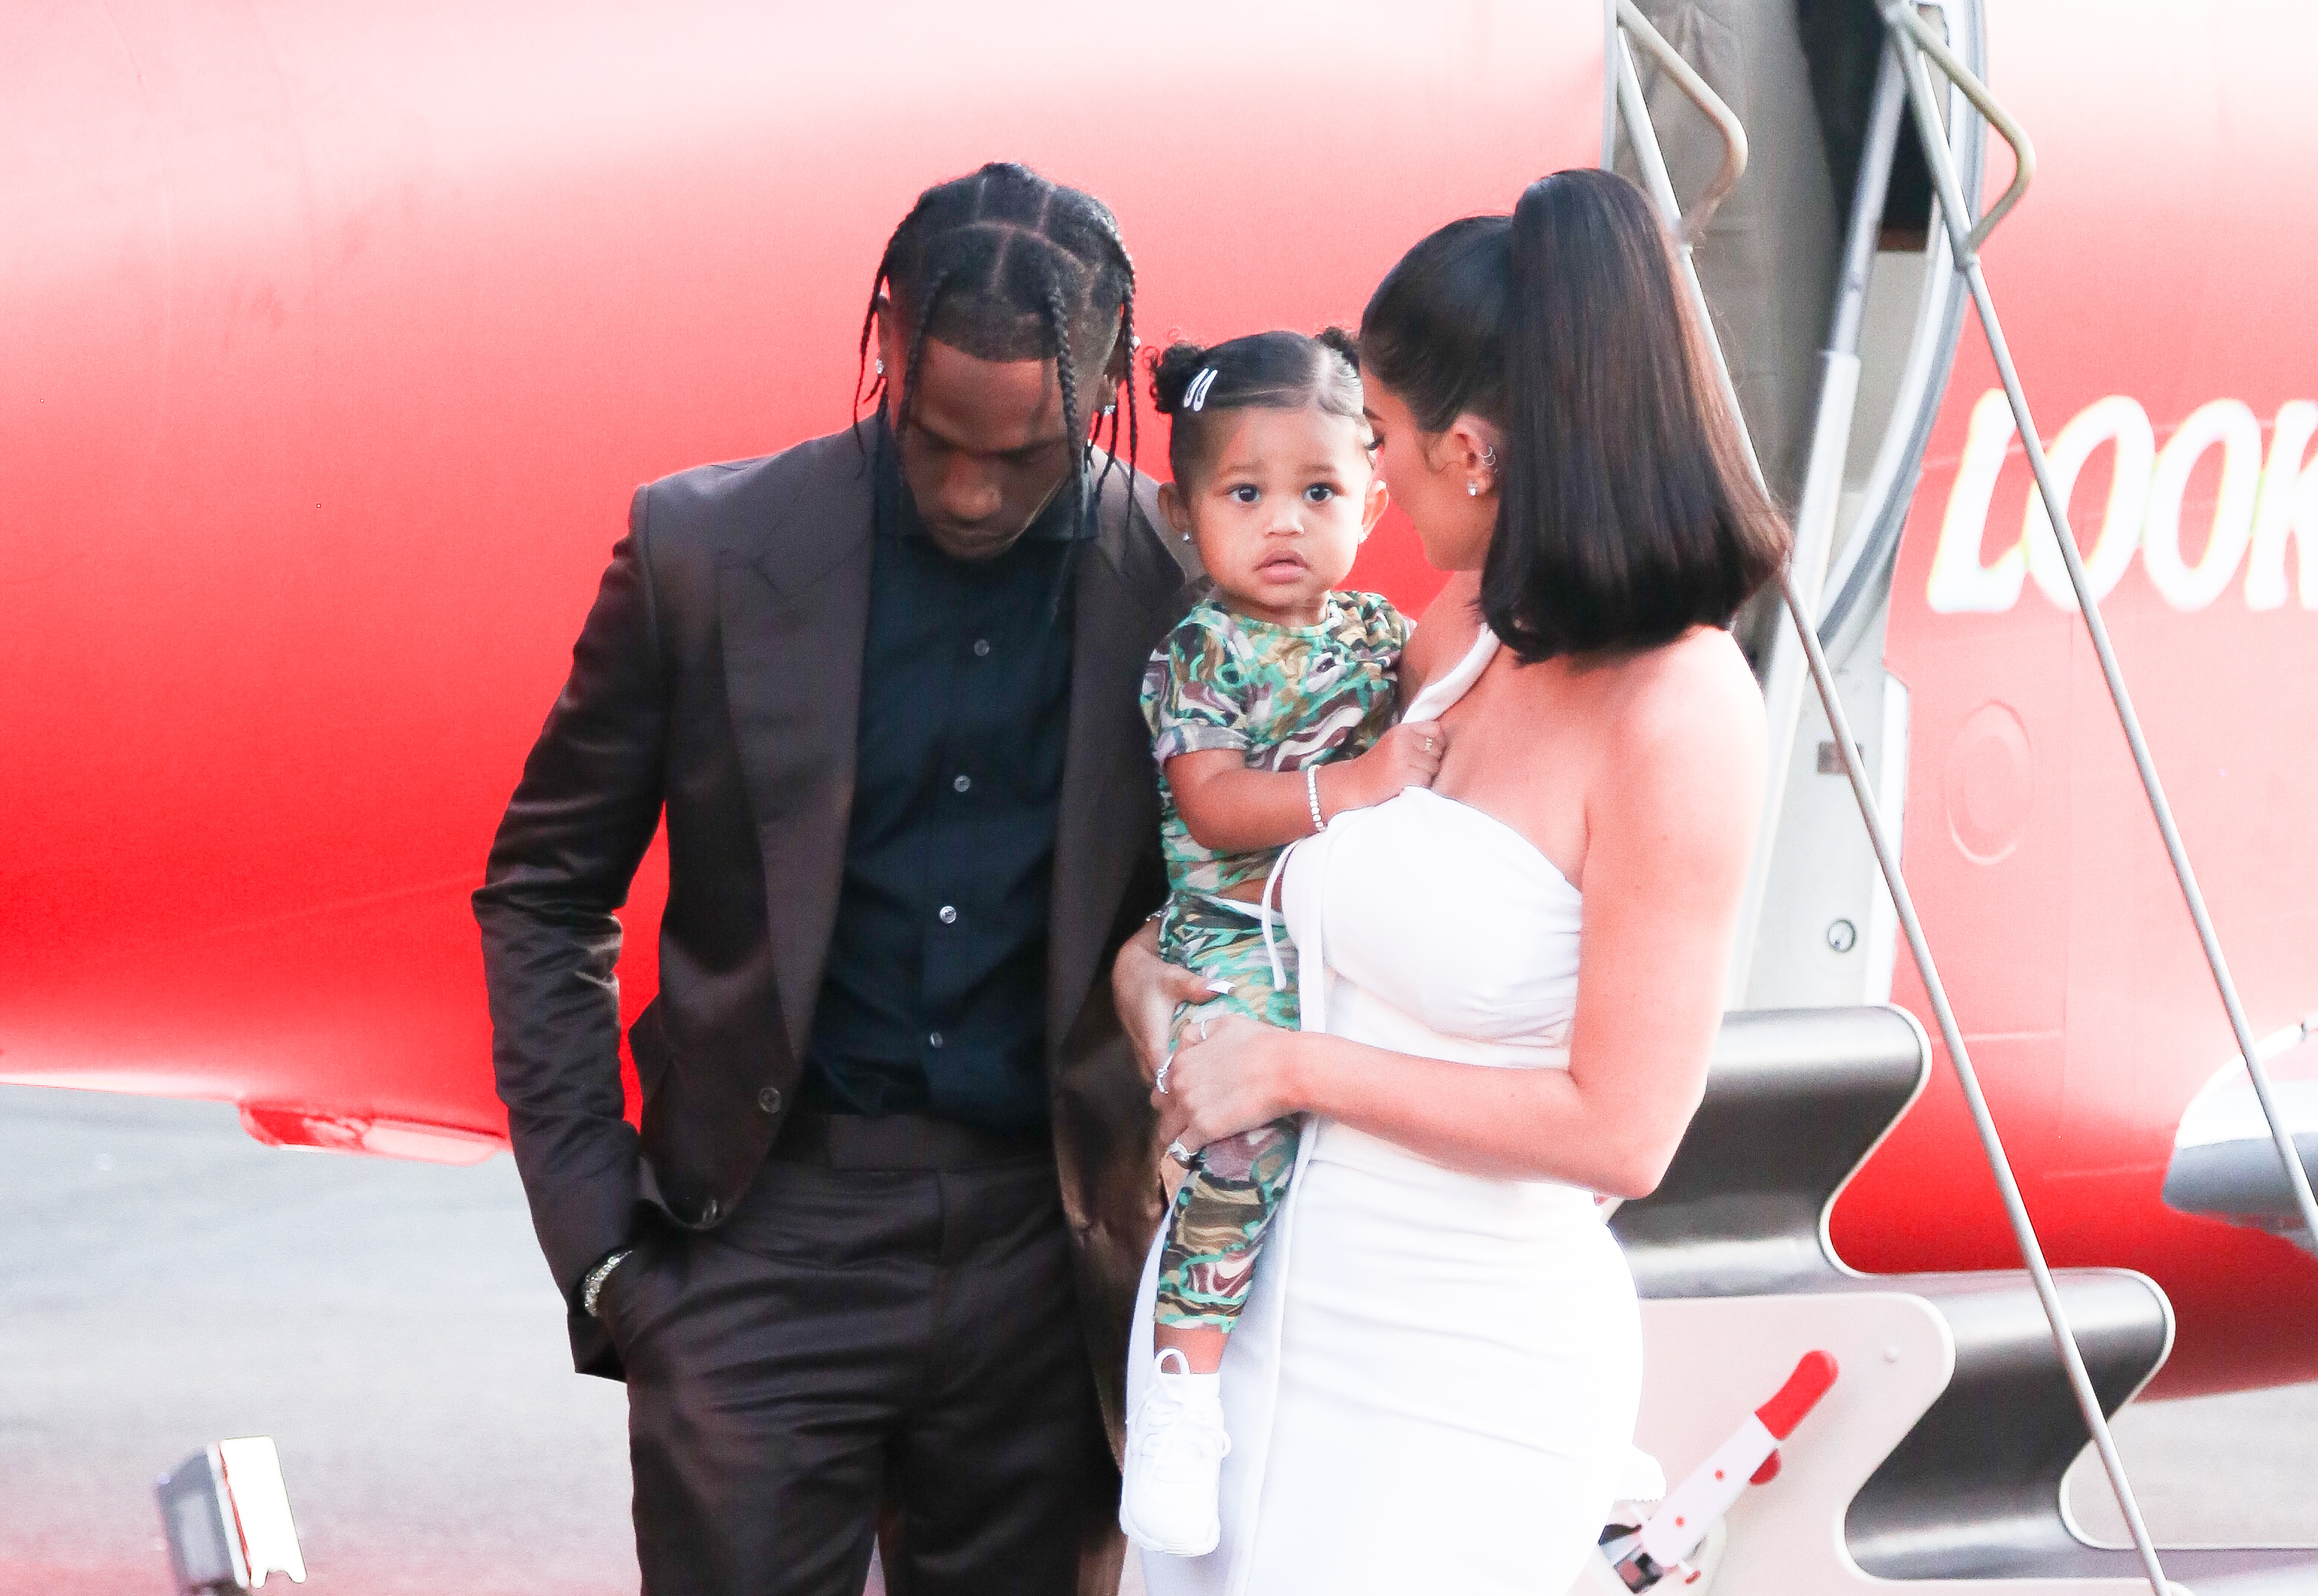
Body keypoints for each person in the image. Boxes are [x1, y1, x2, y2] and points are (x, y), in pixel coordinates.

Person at [474, 162, 1206, 1596]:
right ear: (880, 339)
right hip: (758, 1240)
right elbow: (545, 888)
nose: (970, 490)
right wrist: (601, 1247)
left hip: (1045, 1273)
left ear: (1111, 377)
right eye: (935, 438)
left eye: (1025, 453)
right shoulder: (702, 548)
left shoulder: (1176, 584)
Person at [1111, 168, 1789, 1593]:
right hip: (1261, 1299)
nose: (1377, 478)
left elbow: (1623, 1130)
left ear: (1471, 451)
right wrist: (1151, 983)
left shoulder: (1681, 711)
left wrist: (1291, 1071)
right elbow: (1292, 865)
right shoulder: (1461, 631)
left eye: (1382, 441)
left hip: (1452, 1368)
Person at [1117, 330, 1443, 1555]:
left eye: (1318, 490)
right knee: (1235, 1152)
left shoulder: (1380, 635)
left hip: (1354, 953)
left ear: (1372, 490)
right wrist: (1352, 785)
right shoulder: (1197, 654)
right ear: (1178, 510)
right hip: (1232, 944)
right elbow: (1212, 802)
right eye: (1243, 493)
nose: (1282, 522)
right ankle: (1181, 1388)